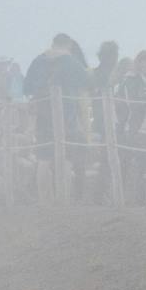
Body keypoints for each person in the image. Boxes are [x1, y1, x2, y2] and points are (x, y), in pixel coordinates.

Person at [25, 34, 90, 197]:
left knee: (44, 157)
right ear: (68, 45)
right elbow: (87, 84)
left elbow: (26, 88)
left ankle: (44, 200)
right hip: (67, 114)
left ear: (53, 44)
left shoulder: (38, 60)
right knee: (66, 156)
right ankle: (64, 197)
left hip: (42, 114)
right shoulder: (73, 62)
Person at [114, 49, 146, 203]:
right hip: (137, 129)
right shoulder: (131, 80)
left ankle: (144, 200)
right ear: (139, 63)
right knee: (145, 165)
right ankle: (142, 201)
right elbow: (133, 103)